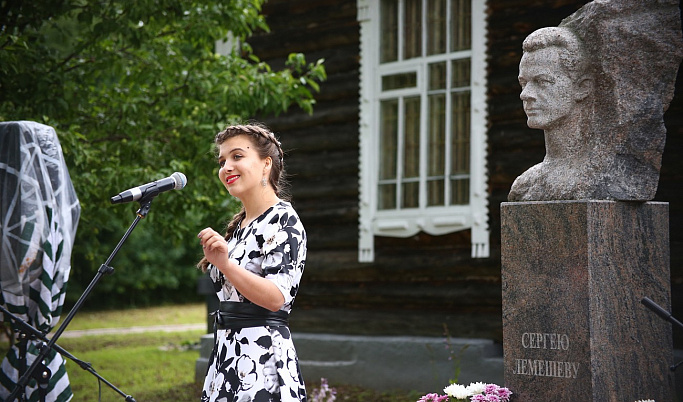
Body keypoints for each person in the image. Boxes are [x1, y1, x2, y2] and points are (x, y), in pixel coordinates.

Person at [197, 123, 307, 402]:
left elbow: (275, 298)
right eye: (222, 161)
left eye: (237, 156)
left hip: (261, 361)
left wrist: (225, 264)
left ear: (265, 164)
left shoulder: (284, 220)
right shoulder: (240, 227)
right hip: (227, 355)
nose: (226, 167)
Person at [508, 26, 597, 201]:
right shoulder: (525, 186)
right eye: (523, 83)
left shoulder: (596, 176)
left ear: (582, 87)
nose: (525, 94)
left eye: (542, 81)